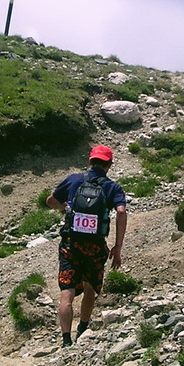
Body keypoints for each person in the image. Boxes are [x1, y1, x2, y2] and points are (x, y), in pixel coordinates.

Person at [46, 145, 127, 346]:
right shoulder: (113, 188)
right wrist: (117, 247)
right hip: (95, 247)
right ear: (109, 164)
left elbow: (50, 200)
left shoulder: (74, 179)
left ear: (91, 161)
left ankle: (66, 340)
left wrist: (63, 208)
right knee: (89, 288)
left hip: (70, 244)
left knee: (67, 292)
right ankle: (82, 329)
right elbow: (121, 212)